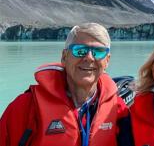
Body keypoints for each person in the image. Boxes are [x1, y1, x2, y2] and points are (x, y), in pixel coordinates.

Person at [0, 23, 133, 146]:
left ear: (107, 61)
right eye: (79, 50)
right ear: (64, 57)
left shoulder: (117, 108)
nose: (89, 58)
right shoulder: (26, 107)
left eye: (98, 52)